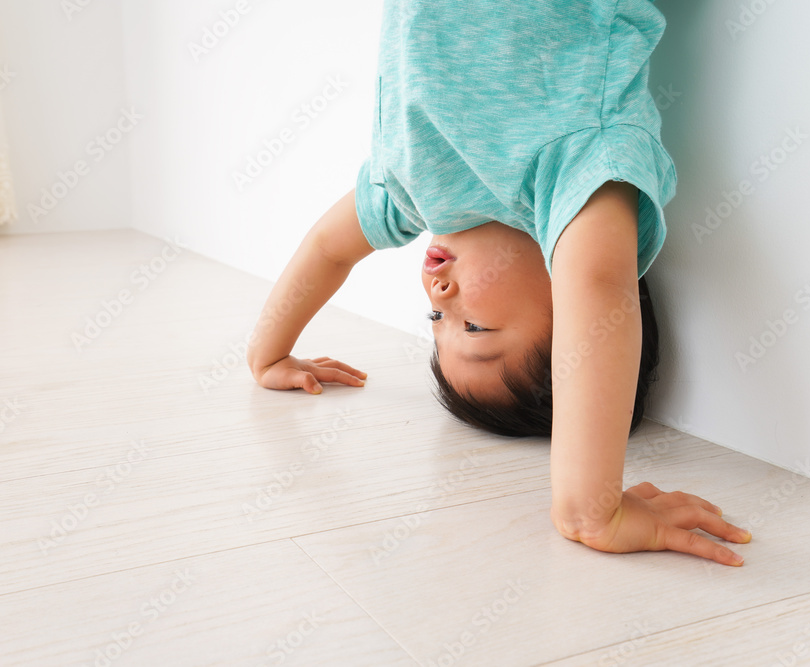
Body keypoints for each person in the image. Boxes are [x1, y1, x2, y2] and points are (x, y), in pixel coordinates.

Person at [246, 0, 752, 566]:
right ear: (567, 308)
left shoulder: (411, 191)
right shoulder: (579, 168)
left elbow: (327, 250)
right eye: (474, 327)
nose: (438, 297)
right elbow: (599, 286)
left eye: (436, 321)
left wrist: (267, 355)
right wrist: (591, 508)